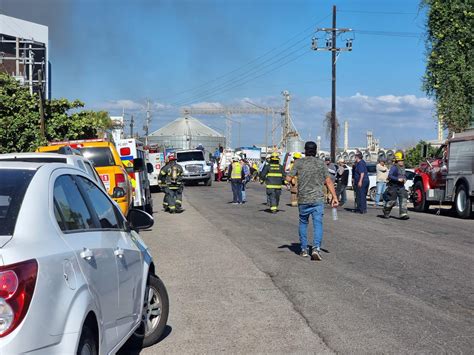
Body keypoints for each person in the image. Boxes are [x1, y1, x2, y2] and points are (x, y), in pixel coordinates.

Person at [287, 141, 338, 261]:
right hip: (317, 199)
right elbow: (329, 181)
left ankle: (304, 249)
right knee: (318, 224)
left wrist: (292, 181)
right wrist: (334, 197)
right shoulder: (321, 163)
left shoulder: (298, 163)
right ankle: (316, 249)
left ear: (305, 150)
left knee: (303, 223)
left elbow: (288, 177)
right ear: (315, 151)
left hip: (303, 199)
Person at [383, 151, 410, 220]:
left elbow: (404, 175)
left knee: (403, 198)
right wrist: (397, 179)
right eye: (400, 161)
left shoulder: (403, 167)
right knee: (392, 201)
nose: (402, 162)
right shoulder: (394, 167)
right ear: (397, 161)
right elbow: (390, 176)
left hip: (401, 186)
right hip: (393, 186)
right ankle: (386, 210)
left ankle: (403, 214)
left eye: (402, 161)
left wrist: (405, 179)